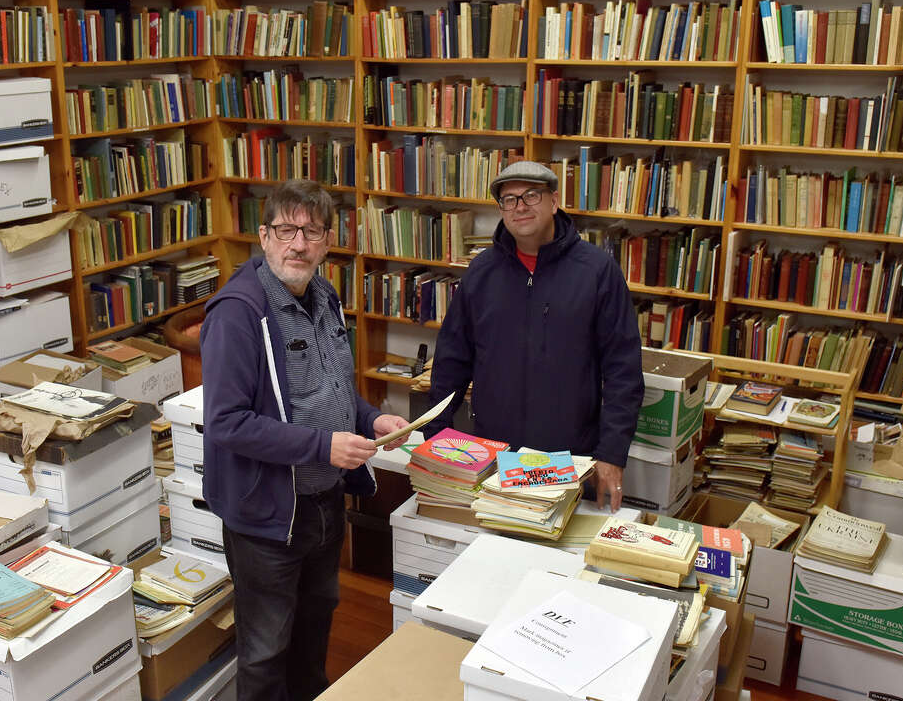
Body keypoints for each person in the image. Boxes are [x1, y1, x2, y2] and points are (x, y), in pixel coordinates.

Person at [200, 180, 409, 701]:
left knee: (314, 633)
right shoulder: (238, 313)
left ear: (328, 239)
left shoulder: (324, 295)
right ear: (264, 236)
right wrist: (322, 448)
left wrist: (369, 418)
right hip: (267, 514)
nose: (298, 244)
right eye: (286, 230)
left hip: (323, 504)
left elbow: (333, 388)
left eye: (310, 232)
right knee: (267, 650)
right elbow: (226, 422)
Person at [425, 161, 644, 511]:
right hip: (495, 456)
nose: (520, 206)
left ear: (554, 201)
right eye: (509, 199)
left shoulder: (597, 271)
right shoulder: (481, 273)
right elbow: (452, 360)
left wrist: (612, 454)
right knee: (495, 552)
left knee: (559, 560)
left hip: (570, 459)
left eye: (531, 195)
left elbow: (623, 371)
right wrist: (436, 436)